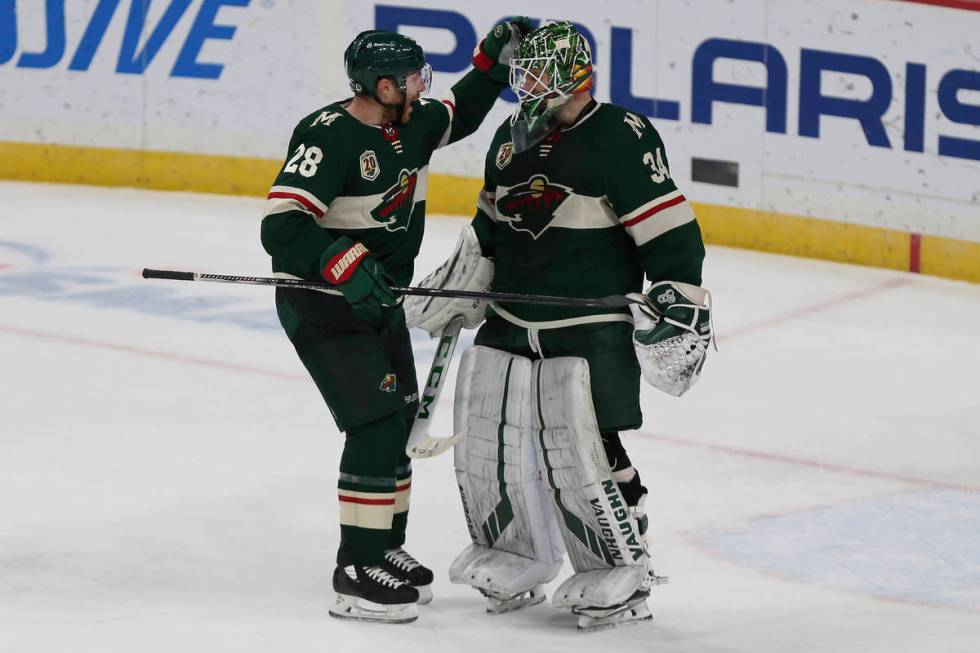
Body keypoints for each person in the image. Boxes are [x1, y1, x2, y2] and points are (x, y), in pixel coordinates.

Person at [406, 21, 713, 630]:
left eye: (540, 73)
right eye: (525, 71)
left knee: (582, 444)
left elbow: (670, 232)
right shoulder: (508, 137)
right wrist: (467, 279)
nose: (528, 84)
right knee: (490, 437)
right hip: (511, 315)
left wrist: (677, 300)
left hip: (590, 318)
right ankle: (514, 550)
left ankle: (620, 559)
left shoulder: (621, 136)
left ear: (577, 74)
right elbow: (490, 225)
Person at [259, 20, 532, 624]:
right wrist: (341, 259)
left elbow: (460, 109)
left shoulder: (410, 124)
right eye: (411, 78)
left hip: (377, 300)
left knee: (402, 421)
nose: (421, 87)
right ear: (381, 85)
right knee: (378, 424)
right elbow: (281, 226)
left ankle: (385, 546)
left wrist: (490, 61)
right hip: (322, 304)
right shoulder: (327, 136)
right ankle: (356, 571)